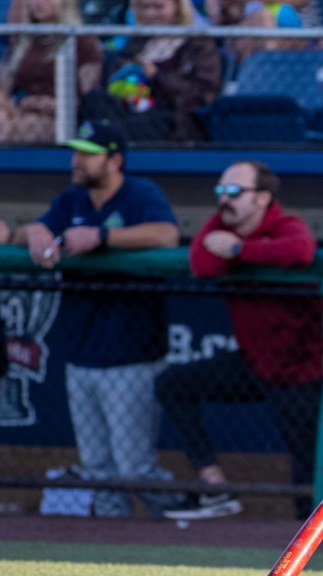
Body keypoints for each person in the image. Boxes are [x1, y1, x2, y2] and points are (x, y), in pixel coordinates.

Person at [6, 120, 182, 518]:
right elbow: (32, 232)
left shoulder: (140, 193)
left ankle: (183, 519)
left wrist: (103, 238)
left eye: (88, 153)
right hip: (81, 351)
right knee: (96, 466)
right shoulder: (71, 200)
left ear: (115, 160)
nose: (77, 161)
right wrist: (33, 232)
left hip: (131, 354)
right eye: (76, 152)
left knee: (134, 467)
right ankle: (109, 542)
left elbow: (166, 235)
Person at [157, 160, 323, 521]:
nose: (224, 199)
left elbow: (300, 251)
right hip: (253, 363)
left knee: (306, 464)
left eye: (234, 192)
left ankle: (311, 545)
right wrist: (227, 236)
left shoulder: (284, 225)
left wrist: (237, 250)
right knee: (173, 383)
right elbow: (202, 263)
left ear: (262, 198)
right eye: (219, 191)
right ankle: (215, 485)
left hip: (300, 370)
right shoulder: (222, 222)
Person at [78, 0, 221, 141]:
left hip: (173, 115)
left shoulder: (199, 44)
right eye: (145, 7)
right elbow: (114, 77)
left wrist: (156, 76)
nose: (150, 13)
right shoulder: (136, 41)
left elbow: (204, 93)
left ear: (177, 7)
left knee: (129, 125)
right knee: (95, 99)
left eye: (158, 7)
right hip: (130, 106)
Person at [0, 0, 104, 143]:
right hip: (20, 111)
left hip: (58, 117)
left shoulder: (82, 42)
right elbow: (3, 87)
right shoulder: (24, 40)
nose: (37, 3)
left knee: (12, 130)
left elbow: (89, 98)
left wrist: (43, 104)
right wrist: (9, 107)